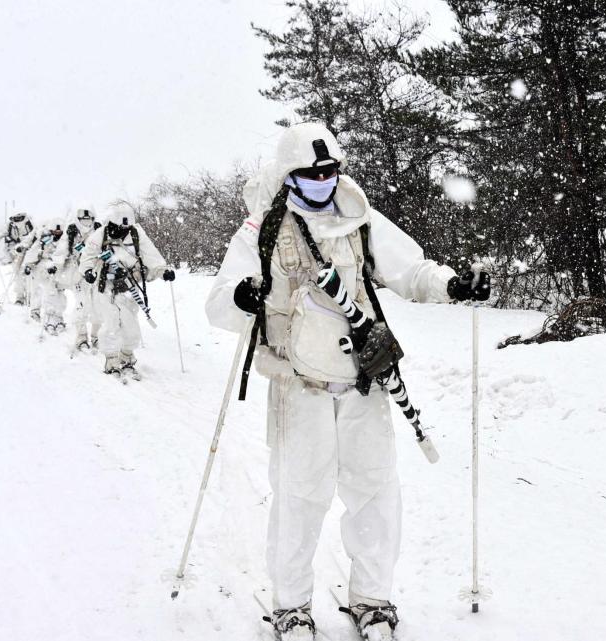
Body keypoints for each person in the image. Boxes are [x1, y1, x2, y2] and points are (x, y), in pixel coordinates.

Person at [206, 122, 490, 641]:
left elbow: (412, 271)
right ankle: (291, 605)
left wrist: (452, 284)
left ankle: (372, 598)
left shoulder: (360, 216)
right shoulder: (262, 229)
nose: (323, 179)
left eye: (330, 170)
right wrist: (240, 297)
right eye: (312, 173)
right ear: (290, 175)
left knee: (375, 491)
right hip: (298, 383)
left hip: (364, 380)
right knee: (300, 495)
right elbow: (220, 298)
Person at [79, 204, 174, 379]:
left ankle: (126, 356)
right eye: (119, 227)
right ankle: (111, 359)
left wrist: (162, 270)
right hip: (106, 285)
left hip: (129, 285)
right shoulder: (101, 234)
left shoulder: (137, 233)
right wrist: (87, 271)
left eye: (125, 227)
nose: (122, 230)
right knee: (111, 324)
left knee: (131, 327)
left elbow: (150, 253)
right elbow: (88, 255)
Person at [52, 206, 102, 351]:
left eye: (89, 219)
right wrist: (55, 265)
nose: (86, 223)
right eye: (83, 220)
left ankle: (96, 335)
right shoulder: (71, 232)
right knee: (82, 305)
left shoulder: (99, 229)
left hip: (96, 273)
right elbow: (61, 250)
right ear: (78, 219)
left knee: (98, 305)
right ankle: (81, 336)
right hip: (78, 274)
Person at [23, 223, 67, 333]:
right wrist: (28, 265)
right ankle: (46, 315)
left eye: (59, 232)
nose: (57, 234)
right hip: (44, 268)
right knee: (49, 292)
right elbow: (34, 251)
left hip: (60, 270)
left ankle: (59, 316)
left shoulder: (65, 240)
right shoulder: (45, 239)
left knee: (60, 294)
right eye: (55, 232)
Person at [0, 212, 34, 304]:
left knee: (29, 275)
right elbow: (0, 233)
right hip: (14, 252)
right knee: (18, 275)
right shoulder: (10, 225)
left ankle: (30, 297)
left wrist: (24, 246)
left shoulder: (31, 224)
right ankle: (19, 297)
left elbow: (35, 235)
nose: (17, 219)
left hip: (29, 252)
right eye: (16, 217)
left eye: (20, 217)